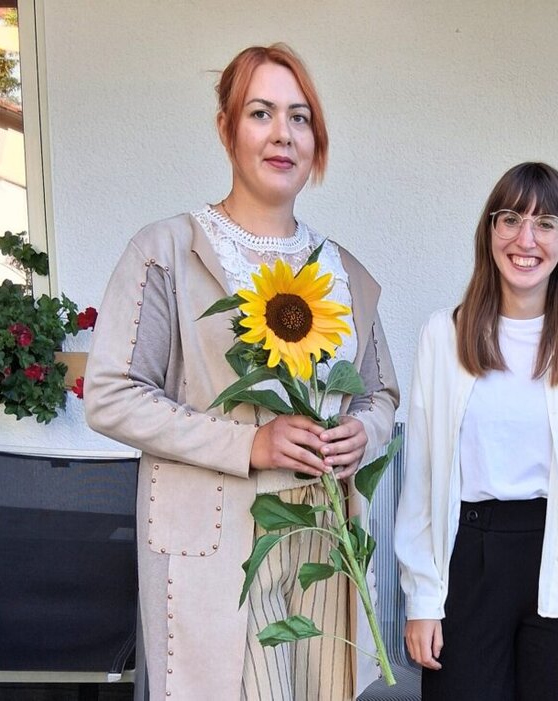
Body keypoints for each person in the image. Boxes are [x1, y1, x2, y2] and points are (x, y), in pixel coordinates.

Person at [85, 44, 398, 701]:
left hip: (324, 546)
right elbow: (111, 395)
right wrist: (248, 442)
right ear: (226, 128)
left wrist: (363, 433)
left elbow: (380, 393)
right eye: (261, 113)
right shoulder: (168, 251)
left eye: (300, 117)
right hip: (218, 544)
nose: (283, 133)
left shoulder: (341, 270)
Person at [394, 162, 558, 700]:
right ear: (490, 230)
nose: (525, 240)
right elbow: (423, 474)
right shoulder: (444, 334)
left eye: (546, 223)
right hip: (468, 559)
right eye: (510, 219)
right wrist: (421, 597)